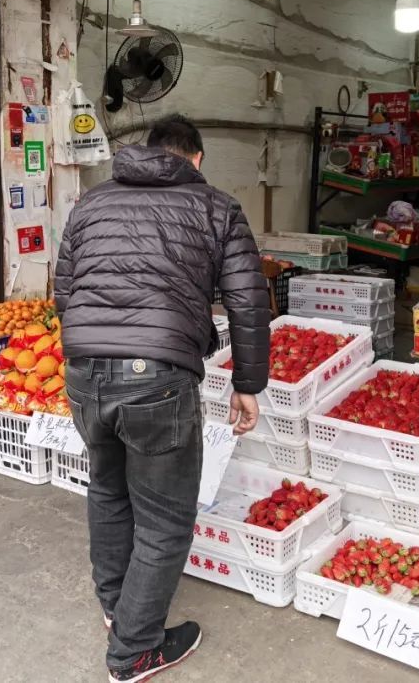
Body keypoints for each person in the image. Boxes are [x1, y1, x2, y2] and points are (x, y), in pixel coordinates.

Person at [55, 114, 270, 683]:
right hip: (155, 378)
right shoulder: (216, 207)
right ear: (195, 159)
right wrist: (248, 384)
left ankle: (116, 608)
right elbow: (247, 301)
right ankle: (134, 651)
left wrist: (88, 350)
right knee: (165, 520)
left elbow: (65, 290)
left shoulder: (91, 203)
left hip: (84, 371)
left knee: (107, 491)